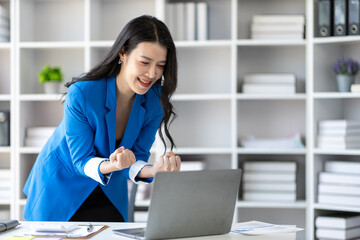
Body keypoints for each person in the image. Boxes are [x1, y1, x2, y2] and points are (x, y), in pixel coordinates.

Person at [23, 15, 181, 222]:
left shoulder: (155, 102)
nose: (152, 73)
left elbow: (137, 158)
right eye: (144, 62)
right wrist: (114, 165)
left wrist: (156, 169)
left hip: (110, 191)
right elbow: (81, 160)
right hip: (62, 186)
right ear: (123, 53)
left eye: (160, 65)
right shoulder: (82, 93)